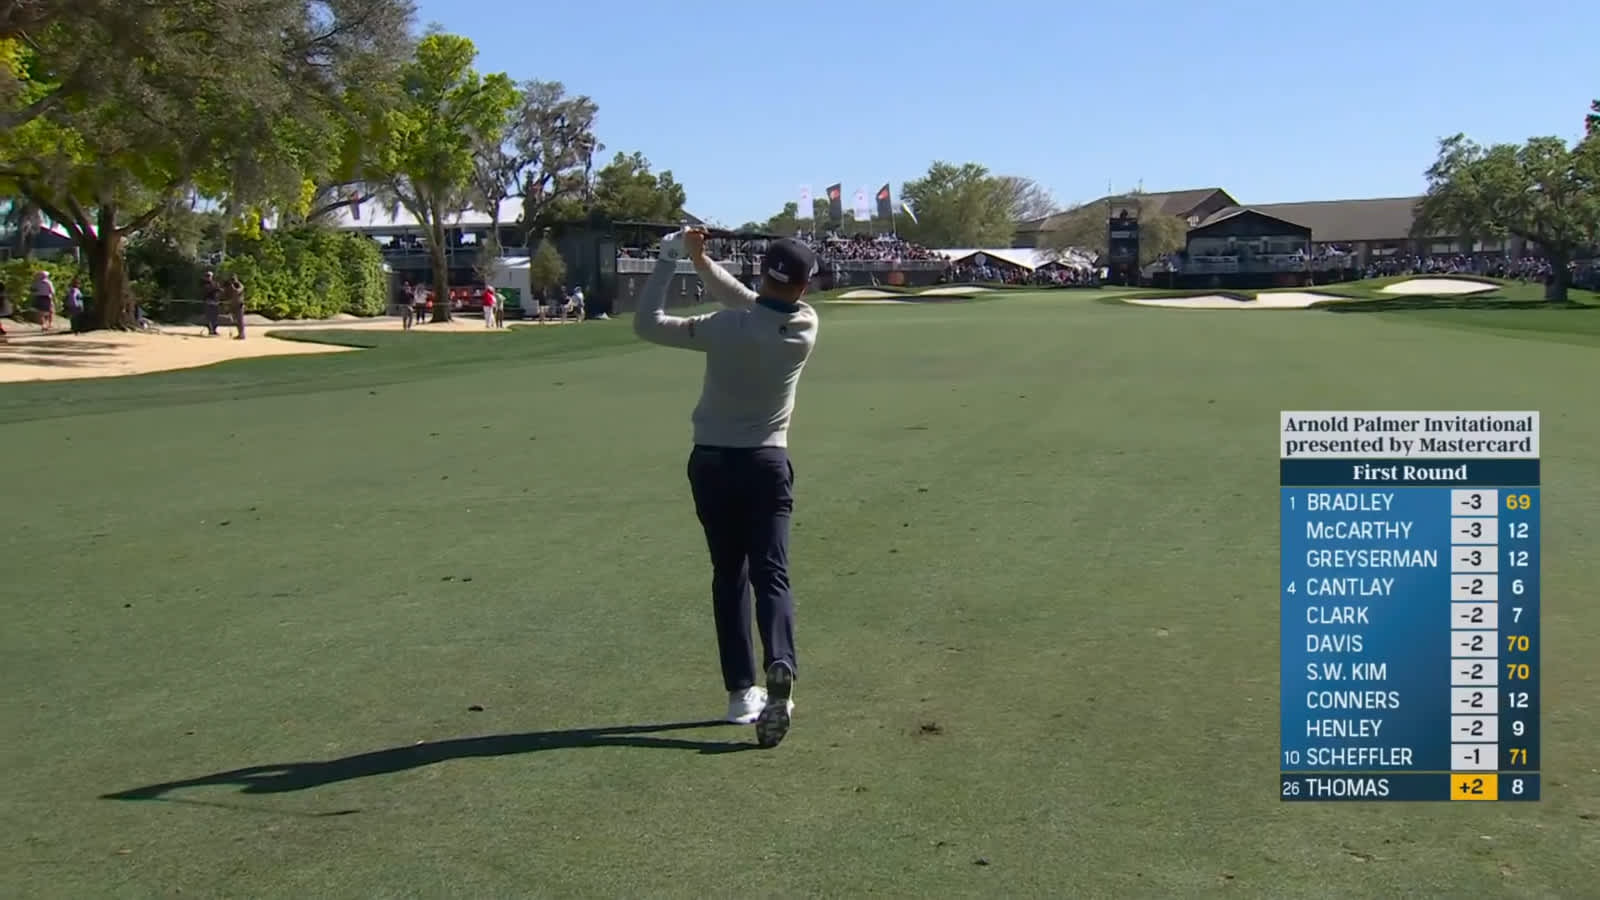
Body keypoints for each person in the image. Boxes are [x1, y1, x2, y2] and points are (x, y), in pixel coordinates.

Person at [632, 226, 819, 749]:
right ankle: (780, 660)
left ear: (763, 274)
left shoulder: (721, 327)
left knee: (728, 574)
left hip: (712, 463)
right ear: (804, 287)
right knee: (772, 574)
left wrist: (674, 258)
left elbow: (647, 325)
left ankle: (741, 694)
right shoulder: (805, 325)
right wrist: (701, 260)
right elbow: (759, 304)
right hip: (767, 463)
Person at [223, 274, 246, 339]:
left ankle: (242, 334)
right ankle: (239, 334)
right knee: (236, 320)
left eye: (234, 279)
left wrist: (232, 286)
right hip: (233, 305)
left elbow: (237, 291)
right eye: (232, 279)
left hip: (239, 305)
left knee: (240, 320)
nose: (233, 281)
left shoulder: (240, 285)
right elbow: (227, 295)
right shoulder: (230, 287)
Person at [201, 271, 221, 335]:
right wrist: (215, 289)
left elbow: (218, 290)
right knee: (209, 317)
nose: (208, 277)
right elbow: (207, 290)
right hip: (208, 302)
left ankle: (214, 330)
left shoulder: (215, 283)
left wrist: (219, 290)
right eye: (207, 276)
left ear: (212, 277)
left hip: (215, 302)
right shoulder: (204, 284)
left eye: (209, 276)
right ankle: (210, 330)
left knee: (215, 317)